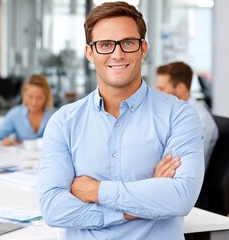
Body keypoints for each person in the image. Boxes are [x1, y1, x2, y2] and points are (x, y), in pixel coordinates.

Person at [37, 2, 204, 239]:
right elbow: (53, 209)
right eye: (105, 45)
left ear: (143, 48)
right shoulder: (64, 121)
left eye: (128, 42)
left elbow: (180, 197)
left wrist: (96, 191)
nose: (117, 54)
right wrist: (137, 206)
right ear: (89, 53)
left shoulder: (179, 115)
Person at [156, 61, 219, 169]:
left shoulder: (199, 121)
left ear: (180, 88)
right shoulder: (173, 113)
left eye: (162, 89)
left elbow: (184, 168)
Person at [0, 74, 55, 146]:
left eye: (40, 98)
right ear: (24, 94)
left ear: (47, 96)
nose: (34, 102)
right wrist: (4, 143)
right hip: (22, 156)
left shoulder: (56, 115)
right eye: (30, 97)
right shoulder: (15, 114)